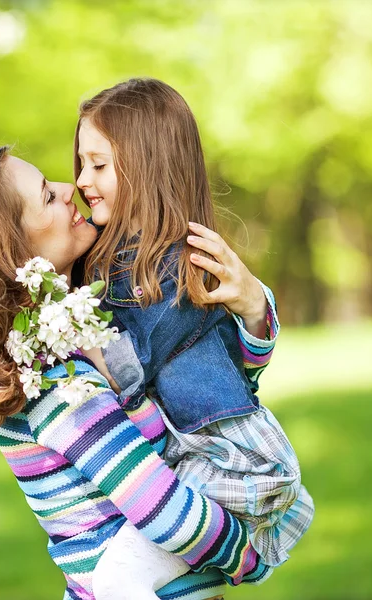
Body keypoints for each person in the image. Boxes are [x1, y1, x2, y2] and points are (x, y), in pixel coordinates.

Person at [0, 147, 275, 600]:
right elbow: (160, 507)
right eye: (48, 197)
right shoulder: (56, 384)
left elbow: (214, 390)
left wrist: (254, 313)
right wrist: (248, 556)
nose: (70, 189)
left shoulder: (84, 332)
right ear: (11, 252)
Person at [72, 78, 314, 598]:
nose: (81, 180)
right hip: (194, 452)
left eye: (98, 164)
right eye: (81, 164)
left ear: (146, 165)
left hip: (226, 459)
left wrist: (70, 344)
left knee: (117, 579)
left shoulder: (174, 263)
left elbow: (134, 366)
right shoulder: (115, 256)